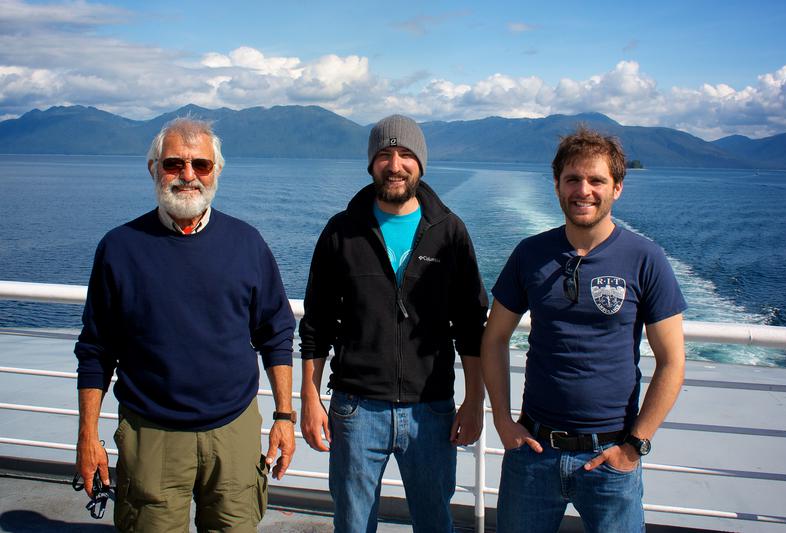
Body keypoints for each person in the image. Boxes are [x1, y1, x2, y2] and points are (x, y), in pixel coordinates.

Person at [74, 117, 297, 532]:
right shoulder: (120, 248)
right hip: (151, 433)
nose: (188, 175)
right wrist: (88, 437)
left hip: (234, 431)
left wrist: (284, 416)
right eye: (174, 163)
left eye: (201, 165)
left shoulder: (247, 243)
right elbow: (96, 350)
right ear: (153, 168)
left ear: (216, 172)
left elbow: (276, 333)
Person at [481, 127, 687, 532]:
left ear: (617, 188)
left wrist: (635, 446)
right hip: (534, 453)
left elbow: (672, 361)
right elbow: (493, 338)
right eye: (573, 179)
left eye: (596, 180)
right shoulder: (530, 253)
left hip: (612, 458)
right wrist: (502, 421)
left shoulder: (646, 259)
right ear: (557, 184)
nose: (584, 190)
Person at [299, 114, 488, 532]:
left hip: (432, 409)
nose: (395, 164)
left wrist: (474, 402)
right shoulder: (341, 232)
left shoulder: (450, 232)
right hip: (355, 408)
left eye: (406, 154)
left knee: (435, 522)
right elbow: (316, 325)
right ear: (371, 164)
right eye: (385, 154)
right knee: (352, 524)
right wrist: (308, 400)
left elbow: (472, 326)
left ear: (421, 163)